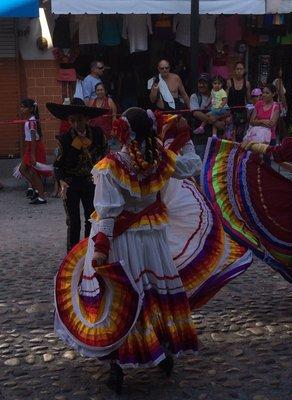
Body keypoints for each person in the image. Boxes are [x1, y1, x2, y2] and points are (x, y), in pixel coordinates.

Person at [54, 108, 202, 394]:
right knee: (153, 290)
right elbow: (190, 166)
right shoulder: (160, 157)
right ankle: (163, 352)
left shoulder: (112, 165)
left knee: (122, 295)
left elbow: (107, 213)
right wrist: (184, 138)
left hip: (124, 240)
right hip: (154, 238)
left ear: (124, 131)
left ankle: (118, 364)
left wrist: (99, 250)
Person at [46, 98, 107, 251]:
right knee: (74, 222)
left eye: (79, 120)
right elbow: (58, 166)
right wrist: (61, 181)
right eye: (72, 121)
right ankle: (72, 254)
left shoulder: (98, 134)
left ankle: (88, 251)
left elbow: (106, 155)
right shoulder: (65, 139)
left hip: (90, 181)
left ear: (87, 119)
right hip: (71, 182)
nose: (75, 124)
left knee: (91, 219)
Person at [19, 99, 48, 205]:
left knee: (35, 173)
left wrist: (32, 155)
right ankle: (37, 189)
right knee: (23, 169)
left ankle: (41, 196)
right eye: (21, 107)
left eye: (24, 107)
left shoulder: (32, 121)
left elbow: (33, 137)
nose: (22, 109)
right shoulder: (29, 120)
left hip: (34, 147)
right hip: (31, 147)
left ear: (31, 109)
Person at [227, 61, 251, 142]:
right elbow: (225, 98)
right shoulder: (229, 82)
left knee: (239, 136)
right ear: (234, 70)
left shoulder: (247, 83)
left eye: (241, 69)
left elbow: (248, 100)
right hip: (230, 112)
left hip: (242, 112)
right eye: (237, 69)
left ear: (244, 70)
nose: (239, 71)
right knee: (229, 135)